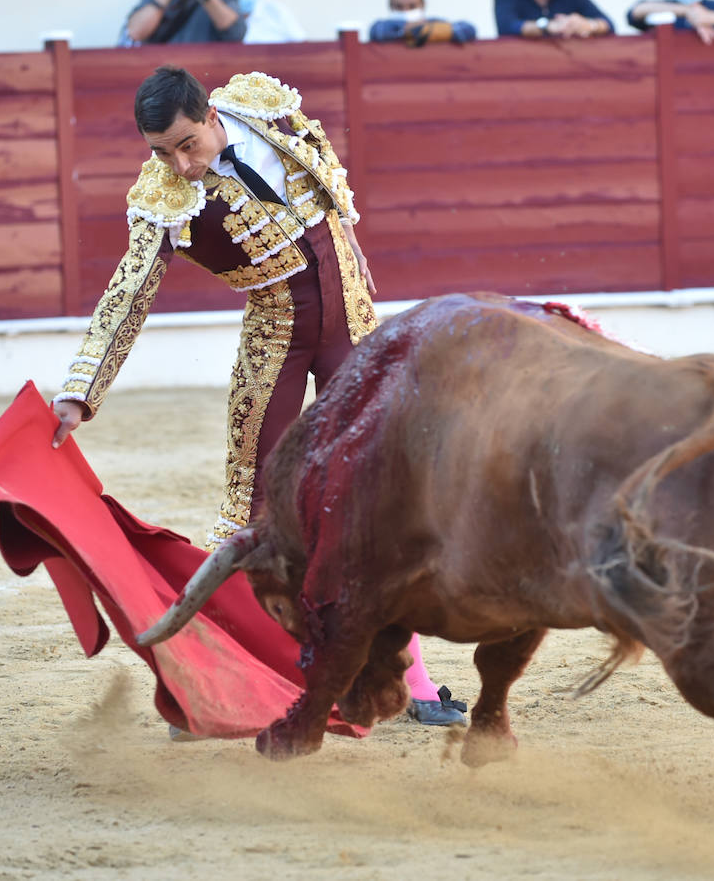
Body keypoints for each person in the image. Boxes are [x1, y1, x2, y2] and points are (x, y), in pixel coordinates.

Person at [50, 66, 466, 728]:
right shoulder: (163, 196)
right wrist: (80, 392)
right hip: (276, 342)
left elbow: (328, 181)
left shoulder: (266, 110)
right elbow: (127, 296)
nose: (180, 165)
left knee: (384, 499)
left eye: (187, 144)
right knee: (255, 514)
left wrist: (351, 245)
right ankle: (211, 678)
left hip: (353, 333)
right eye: (163, 151)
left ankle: (413, 680)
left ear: (212, 114)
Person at [369, 0, 477, 45]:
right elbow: (377, 31)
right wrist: (408, 30)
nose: (405, 11)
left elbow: (468, 29)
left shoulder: (433, 23)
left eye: (412, 6)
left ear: (423, 5)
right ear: (390, 6)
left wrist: (426, 30)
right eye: (399, 6)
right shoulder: (382, 27)